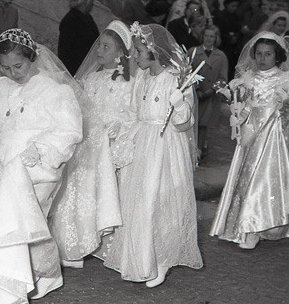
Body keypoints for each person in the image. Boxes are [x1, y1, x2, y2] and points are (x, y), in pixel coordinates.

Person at [0, 28, 82, 304]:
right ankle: (20, 275)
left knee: (30, 220)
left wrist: (40, 150)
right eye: (6, 68)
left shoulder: (55, 90)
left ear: (32, 57)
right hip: (4, 163)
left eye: (18, 66)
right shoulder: (1, 87)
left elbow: (69, 130)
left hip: (38, 168)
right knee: (8, 222)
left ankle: (42, 274)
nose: (13, 73)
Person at [94, 22, 203, 288]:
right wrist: (123, 141)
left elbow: (183, 123)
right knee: (138, 203)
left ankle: (162, 258)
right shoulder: (142, 78)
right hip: (142, 143)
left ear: (155, 52)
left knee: (160, 202)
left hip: (165, 148)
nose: (135, 56)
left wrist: (179, 104)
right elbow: (133, 113)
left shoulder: (174, 80)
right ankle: (141, 258)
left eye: (140, 51)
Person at [50, 20, 134, 268]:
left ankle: (108, 243)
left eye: (106, 47)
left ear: (120, 53)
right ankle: (74, 244)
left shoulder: (128, 84)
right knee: (76, 191)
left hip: (110, 146)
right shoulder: (91, 79)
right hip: (88, 145)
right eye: (99, 45)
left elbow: (130, 115)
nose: (99, 51)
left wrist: (116, 128)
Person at [210, 32, 289, 250]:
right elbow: (244, 106)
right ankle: (247, 225)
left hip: (273, 135)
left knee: (265, 179)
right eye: (259, 54)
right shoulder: (247, 79)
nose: (262, 58)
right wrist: (238, 115)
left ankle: (262, 225)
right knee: (248, 176)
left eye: (268, 54)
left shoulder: (285, 79)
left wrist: (286, 109)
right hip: (251, 133)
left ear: (277, 56)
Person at [189, 25, 228, 159]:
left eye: (212, 36)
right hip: (195, 95)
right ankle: (191, 149)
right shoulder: (193, 52)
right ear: (202, 37)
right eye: (206, 36)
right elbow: (187, 73)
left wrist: (211, 91)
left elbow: (223, 79)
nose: (209, 39)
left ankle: (199, 150)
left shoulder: (221, 56)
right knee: (192, 122)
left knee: (204, 125)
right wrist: (197, 89)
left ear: (216, 38)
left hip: (210, 97)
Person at [58, 0, 100, 75]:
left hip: (88, 68)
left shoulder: (88, 18)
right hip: (75, 70)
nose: (92, 5)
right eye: (91, 2)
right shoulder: (70, 20)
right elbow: (64, 52)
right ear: (84, 2)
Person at [215, 0, 243, 79]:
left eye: (236, 6)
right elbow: (218, 32)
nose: (234, 8)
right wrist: (229, 38)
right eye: (232, 6)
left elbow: (238, 29)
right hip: (223, 47)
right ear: (227, 5)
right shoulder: (220, 16)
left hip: (233, 49)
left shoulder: (236, 17)